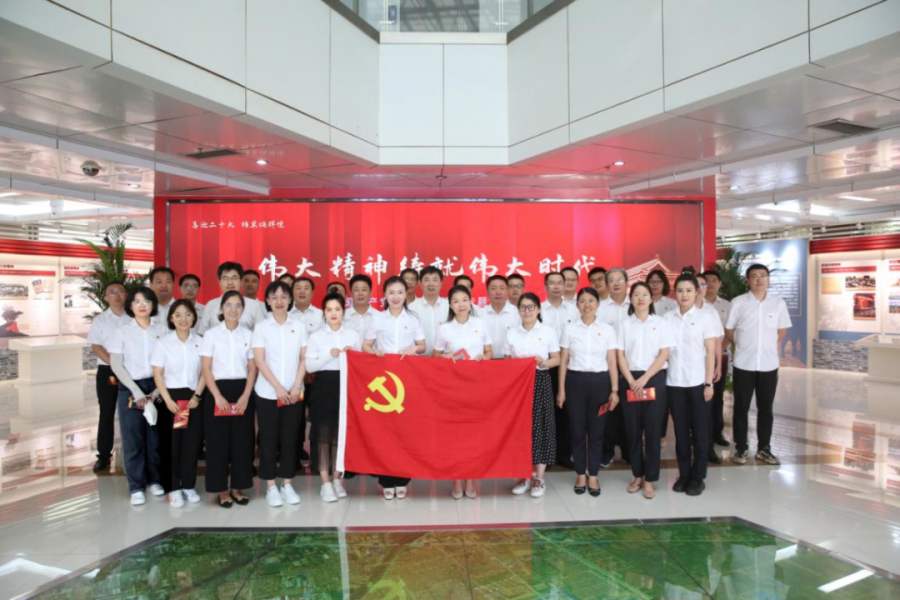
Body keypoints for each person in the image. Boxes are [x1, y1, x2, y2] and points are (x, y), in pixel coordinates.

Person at [363, 276, 426, 499]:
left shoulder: (413, 318)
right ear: (385, 295)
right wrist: (374, 352)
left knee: (405, 429)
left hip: (407, 378)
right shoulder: (377, 318)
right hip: (384, 378)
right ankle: (386, 479)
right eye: (391, 292)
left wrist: (413, 349)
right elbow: (366, 345)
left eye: (400, 292)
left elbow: (422, 345)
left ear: (406, 294)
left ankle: (403, 479)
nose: (396, 297)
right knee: (385, 430)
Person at [725, 264, 791, 466]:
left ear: (768, 279)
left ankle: (764, 448)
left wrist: (767, 345)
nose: (759, 279)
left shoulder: (778, 303)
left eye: (763, 276)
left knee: (766, 409)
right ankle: (741, 448)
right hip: (744, 364)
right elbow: (729, 329)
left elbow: (782, 330)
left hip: (768, 365)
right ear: (748, 280)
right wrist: (741, 345)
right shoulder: (738, 302)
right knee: (741, 408)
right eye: (754, 276)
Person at [107, 286, 167, 506]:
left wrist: (156, 392)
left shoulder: (162, 330)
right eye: (137, 302)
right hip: (130, 387)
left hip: (157, 385)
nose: (142, 306)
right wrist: (136, 391)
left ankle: (155, 481)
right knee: (133, 438)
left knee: (155, 437)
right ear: (130, 306)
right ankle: (136, 486)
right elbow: (116, 364)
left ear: (153, 305)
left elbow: (168, 363)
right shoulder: (122, 332)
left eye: (147, 301)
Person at [557, 287, 618, 497]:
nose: (587, 305)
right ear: (577, 305)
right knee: (576, 430)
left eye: (591, 300)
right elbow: (563, 361)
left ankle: (593, 474)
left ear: (598, 304)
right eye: (582, 301)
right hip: (575, 382)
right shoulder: (570, 329)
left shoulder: (607, 330)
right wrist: (561, 390)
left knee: (597, 431)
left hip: (600, 383)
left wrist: (615, 390)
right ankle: (580, 474)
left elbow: (612, 361)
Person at [615, 281, 673, 500]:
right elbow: (620, 355)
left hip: (654, 378)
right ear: (631, 299)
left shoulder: (661, 323)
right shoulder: (624, 325)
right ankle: (637, 475)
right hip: (630, 379)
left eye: (644, 294)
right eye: (636, 294)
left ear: (651, 298)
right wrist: (631, 380)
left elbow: (664, 353)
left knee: (652, 431)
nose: (640, 298)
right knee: (632, 431)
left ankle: (650, 479)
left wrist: (645, 378)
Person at [434, 285, 493, 499]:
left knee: (474, 433)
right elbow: (435, 355)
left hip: (477, 385)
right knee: (455, 433)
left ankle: (471, 479)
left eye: (465, 300)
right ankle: (457, 479)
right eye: (456, 301)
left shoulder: (480, 324)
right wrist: (446, 357)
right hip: (453, 386)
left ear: (470, 302)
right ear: (450, 305)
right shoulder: (445, 328)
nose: (461, 304)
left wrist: (484, 357)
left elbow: (489, 351)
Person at [200, 290, 258, 508]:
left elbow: (252, 368)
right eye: (229, 305)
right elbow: (206, 368)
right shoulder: (211, 335)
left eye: (238, 306)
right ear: (221, 309)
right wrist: (217, 396)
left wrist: (246, 395)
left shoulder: (248, 335)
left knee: (243, 442)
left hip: (242, 390)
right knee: (217, 443)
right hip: (217, 391)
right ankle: (222, 490)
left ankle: (238, 487)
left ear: (243, 309)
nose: (234, 310)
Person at [252, 281, 307, 508]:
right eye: (274, 297)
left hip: (294, 393)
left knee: (289, 438)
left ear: (290, 299)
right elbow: (259, 361)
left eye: (284, 296)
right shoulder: (262, 327)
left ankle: (287, 483)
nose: (279, 301)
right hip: (267, 393)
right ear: (267, 301)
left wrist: (296, 385)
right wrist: (277, 388)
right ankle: (270, 486)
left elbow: (304, 358)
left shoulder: (299, 326)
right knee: (268, 439)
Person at [665, 272, 721, 496]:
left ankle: (698, 476)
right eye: (680, 290)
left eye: (689, 290)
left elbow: (710, 353)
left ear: (696, 292)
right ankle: (684, 474)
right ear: (675, 293)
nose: (684, 294)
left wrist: (708, 384)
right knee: (680, 432)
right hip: (674, 382)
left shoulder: (706, 317)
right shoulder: (667, 318)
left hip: (698, 382)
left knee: (700, 431)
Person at [306, 292, 362, 502]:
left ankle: (337, 478)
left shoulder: (353, 335)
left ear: (343, 311)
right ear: (324, 312)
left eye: (337, 309)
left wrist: (352, 354)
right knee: (323, 434)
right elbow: (310, 366)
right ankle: (325, 482)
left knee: (342, 435)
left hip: (347, 387)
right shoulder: (316, 336)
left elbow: (362, 364)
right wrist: (329, 355)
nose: (333, 313)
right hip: (323, 386)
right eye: (329, 310)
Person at [151, 300, 205, 508]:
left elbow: (205, 372)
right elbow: (158, 374)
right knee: (172, 445)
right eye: (178, 315)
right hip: (171, 399)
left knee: (191, 444)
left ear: (194, 317)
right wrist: (167, 400)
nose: (184, 319)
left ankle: (188, 485)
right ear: (171, 318)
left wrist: (197, 395)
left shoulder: (200, 341)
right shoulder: (163, 343)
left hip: (193, 399)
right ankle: (173, 488)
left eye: (188, 314)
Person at [505, 293, 559, 498]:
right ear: (518, 310)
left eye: (531, 307)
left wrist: (543, 363)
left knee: (541, 427)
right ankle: (523, 475)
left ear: (538, 309)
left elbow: (557, 358)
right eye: (523, 307)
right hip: (517, 386)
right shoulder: (511, 333)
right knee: (520, 429)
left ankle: (539, 478)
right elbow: (507, 362)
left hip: (540, 381)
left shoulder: (548, 331)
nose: (527, 311)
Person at [87, 282, 131, 473]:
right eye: (112, 292)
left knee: (131, 412)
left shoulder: (134, 317)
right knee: (107, 412)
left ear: (126, 294)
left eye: (120, 291)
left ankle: (134, 453)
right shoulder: (100, 320)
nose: (117, 295)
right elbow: (96, 346)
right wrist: (114, 364)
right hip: (109, 372)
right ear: (105, 297)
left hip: (132, 370)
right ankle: (104, 455)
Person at [541, 272, 579, 469]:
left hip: (568, 365)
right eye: (552, 283)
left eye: (559, 283)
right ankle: (546, 456)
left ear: (564, 286)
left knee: (566, 411)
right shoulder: (538, 309)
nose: (556, 286)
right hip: (545, 366)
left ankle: (564, 454)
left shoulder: (574, 310)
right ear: (545, 286)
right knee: (546, 412)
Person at [598, 267, 631, 467]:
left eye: (620, 280)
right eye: (612, 280)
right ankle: (607, 450)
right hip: (606, 364)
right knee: (608, 409)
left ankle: (629, 450)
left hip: (631, 364)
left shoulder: (636, 304)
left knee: (630, 409)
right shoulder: (599, 308)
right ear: (606, 284)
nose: (616, 284)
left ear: (627, 283)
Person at [702, 269, 732, 451]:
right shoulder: (697, 304)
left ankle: (717, 432)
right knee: (703, 397)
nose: (710, 283)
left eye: (714, 280)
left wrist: (719, 349)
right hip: (701, 358)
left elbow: (729, 331)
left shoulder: (727, 305)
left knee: (718, 396)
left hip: (720, 356)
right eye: (706, 281)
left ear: (720, 284)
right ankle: (700, 432)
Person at [197, 262, 266, 334]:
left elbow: (261, 334)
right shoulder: (211, 305)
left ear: (241, 281)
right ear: (219, 282)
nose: (230, 282)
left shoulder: (253, 305)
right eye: (225, 278)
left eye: (234, 278)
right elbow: (202, 334)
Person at [409, 266, 448, 355]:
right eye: (426, 280)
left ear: (441, 284)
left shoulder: (450, 307)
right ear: (420, 284)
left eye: (435, 280)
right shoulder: (411, 308)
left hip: (445, 359)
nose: (431, 284)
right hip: (418, 360)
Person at [483, 275, 520, 358]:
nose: (498, 292)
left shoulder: (517, 313)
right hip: (486, 361)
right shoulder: (480, 314)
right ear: (487, 292)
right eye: (493, 288)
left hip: (511, 361)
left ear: (507, 291)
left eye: (502, 288)